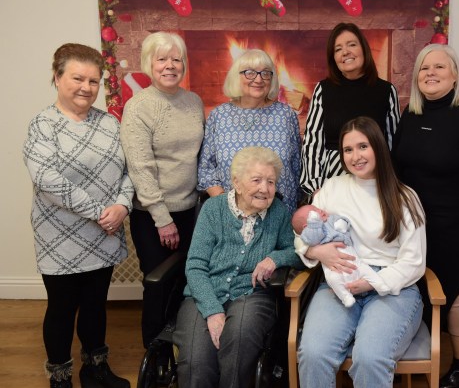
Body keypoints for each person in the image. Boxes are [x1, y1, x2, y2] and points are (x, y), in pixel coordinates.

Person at [23, 43, 133, 388]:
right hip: (60, 236)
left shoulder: (109, 122)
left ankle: (95, 370)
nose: (86, 87)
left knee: (95, 305)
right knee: (61, 308)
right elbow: (46, 179)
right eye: (78, 78)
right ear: (57, 78)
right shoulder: (43, 125)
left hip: (105, 232)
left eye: (94, 81)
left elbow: (130, 170)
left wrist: (123, 205)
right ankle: (60, 376)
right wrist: (100, 211)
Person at [392, 44, 459, 388]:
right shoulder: (410, 115)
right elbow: (395, 170)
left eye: (439, 67)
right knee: (417, 289)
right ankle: (422, 354)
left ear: (455, 75)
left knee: (454, 293)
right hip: (412, 226)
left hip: (455, 227)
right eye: (424, 68)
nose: (431, 73)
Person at [296, 116, 426, 387]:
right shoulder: (332, 189)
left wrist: (372, 283)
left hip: (393, 289)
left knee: (369, 357)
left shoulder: (405, 197)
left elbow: (414, 262)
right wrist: (318, 252)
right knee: (313, 353)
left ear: (378, 147)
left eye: (363, 146)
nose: (356, 156)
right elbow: (302, 237)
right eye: (348, 150)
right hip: (339, 281)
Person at [173, 147, 304, 388]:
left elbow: (296, 253)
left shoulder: (278, 213)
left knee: (238, 343)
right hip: (205, 293)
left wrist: (275, 258)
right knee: (197, 360)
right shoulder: (213, 210)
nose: (264, 189)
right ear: (237, 182)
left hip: (252, 295)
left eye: (271, 181)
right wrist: (212, 310)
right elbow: (195, 265)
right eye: (256, 180)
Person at [120, 31, 205, 349]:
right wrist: (161, 218)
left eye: (176, 59)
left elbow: (197, 155)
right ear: (148, 64)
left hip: (190, 211)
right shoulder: (138, 107)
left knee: (185, 282)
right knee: (157, 286)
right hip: (154, 216)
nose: (170, 65)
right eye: (162, 59)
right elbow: (140, 167)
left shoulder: (193, 101)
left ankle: (184, 352)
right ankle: (154, 358)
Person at [300, 22, 400, 198]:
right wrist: (315, 187)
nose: (345, 52)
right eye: (338, 49)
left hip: (373, 183)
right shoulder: (324, 89)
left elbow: (392, 144)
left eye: (351, 44)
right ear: (334, 58)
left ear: (364, 49)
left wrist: (389, 186)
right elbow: (312, 142)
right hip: (330, 183)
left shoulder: (386, 91)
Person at [198, 48, 301, 213]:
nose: (259, 79)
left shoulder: (286, 115)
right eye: (250, 73)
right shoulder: (219, 116)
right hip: (231, 215)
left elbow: (297, 166)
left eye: (265, 73)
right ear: (236, 77)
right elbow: (206, 170)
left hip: (280, 214)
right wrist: (226, 207)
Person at [292, 204, 386, 307]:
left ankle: (380, 284)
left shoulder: (331, 219)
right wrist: (314, 226)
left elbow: (343, 221)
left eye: (318, 209)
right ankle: (345, 297)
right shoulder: (308, 233)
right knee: (333, 279)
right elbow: (309, 240)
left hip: (355, 261)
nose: (320, 210)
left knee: (365, 269)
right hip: (334, 269)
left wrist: (341, 224)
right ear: (306, 226)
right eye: (314, 212)